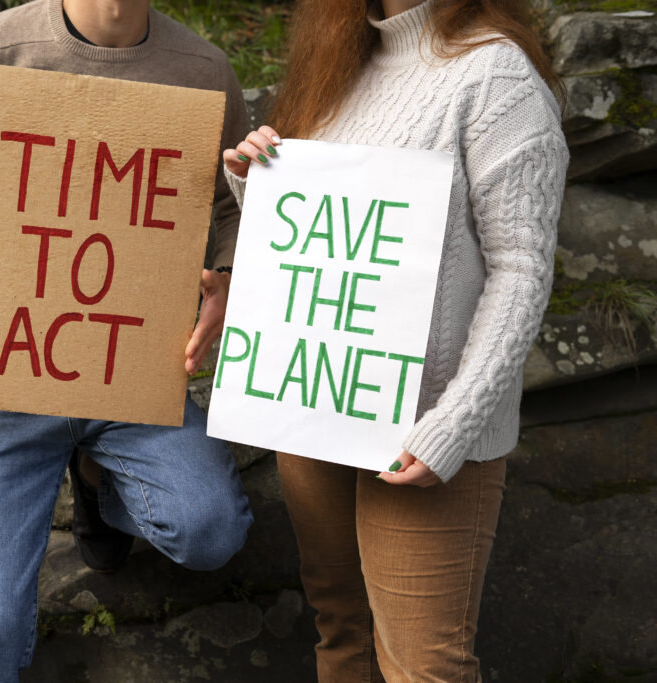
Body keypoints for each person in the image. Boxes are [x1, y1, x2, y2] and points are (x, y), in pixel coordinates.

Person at [0, 0, 253, 679]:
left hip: (132, 376)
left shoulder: (202, 70)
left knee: (212, 529)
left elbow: (231, 200)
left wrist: (227, 274)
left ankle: (96, 484)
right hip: (5, 380)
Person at [224, 0, 567, 680]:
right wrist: (258, 184)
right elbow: (324, 248)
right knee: (340, 631)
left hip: (425, 434)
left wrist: (453, 426)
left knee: (423, 667)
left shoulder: (494, 74)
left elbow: (522, 269)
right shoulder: (339, 62)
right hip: (315, 409)